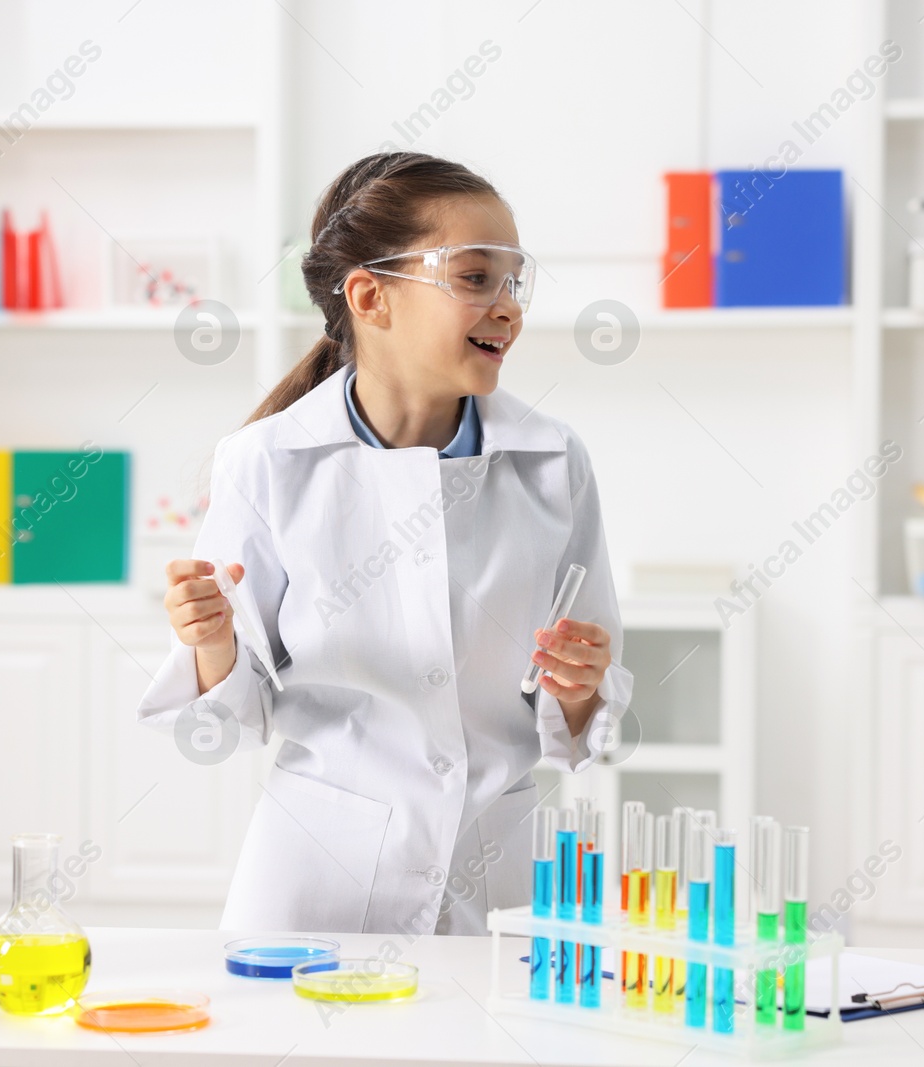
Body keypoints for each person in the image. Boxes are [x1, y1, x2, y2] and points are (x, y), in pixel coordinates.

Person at [136, 151, 632, 936]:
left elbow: (588, 706)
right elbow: (228, 719)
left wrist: (578, 690)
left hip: (499, 878)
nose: (508, 307)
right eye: (475, 278)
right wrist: (210, 643)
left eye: (515, 280)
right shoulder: (267, 463)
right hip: (316, 881)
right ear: (371, 296)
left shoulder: (553, 462)